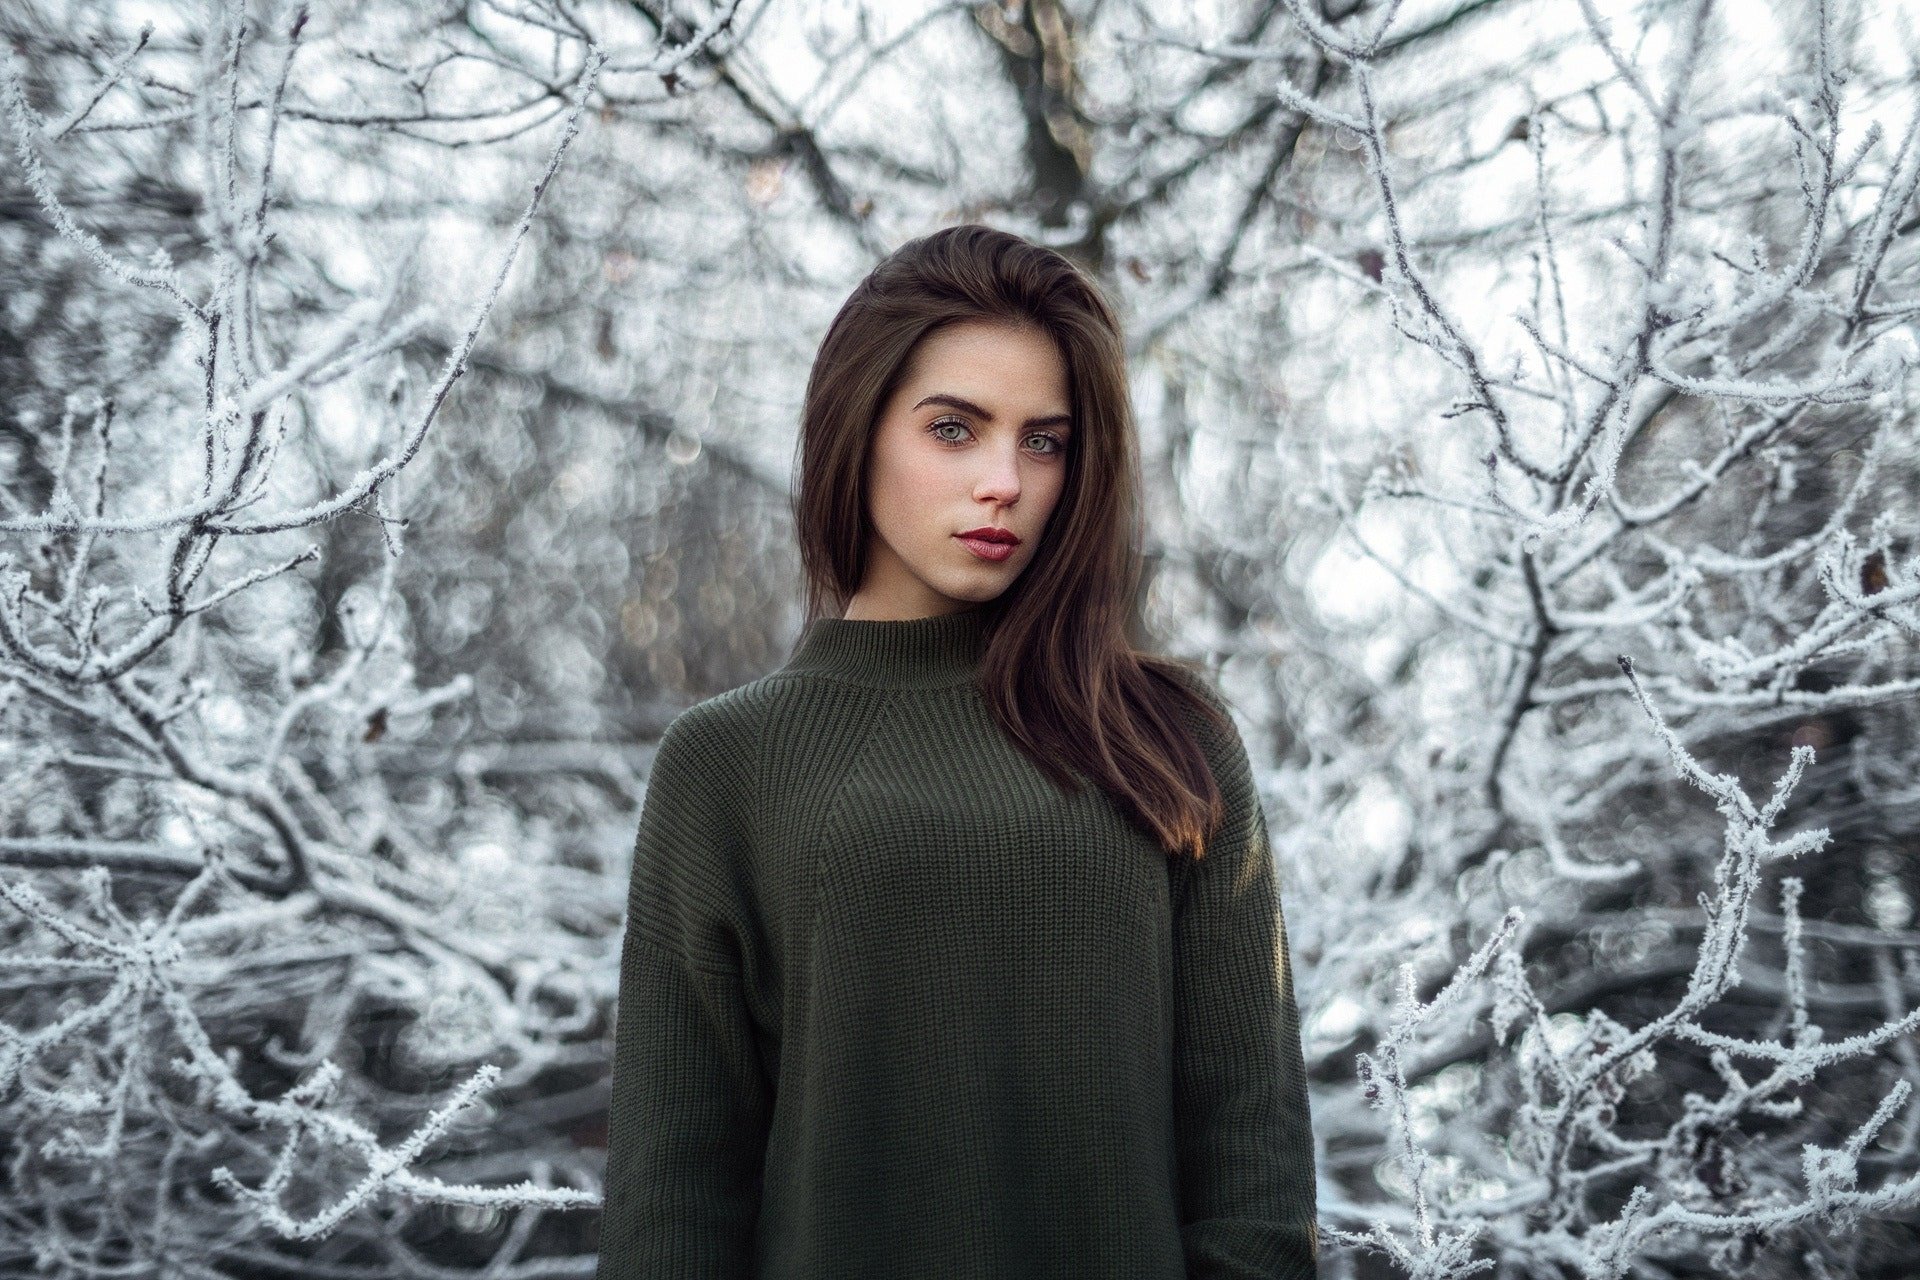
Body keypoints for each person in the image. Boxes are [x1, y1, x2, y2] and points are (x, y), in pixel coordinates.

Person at [594, 223, 1317, 1278]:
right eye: (953, 428)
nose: (1004, 482)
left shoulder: (1168, 737)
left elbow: (1253, 1155)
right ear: (859, 427)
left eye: (1044, 440)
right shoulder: (727, 761)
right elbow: (673, 1200)